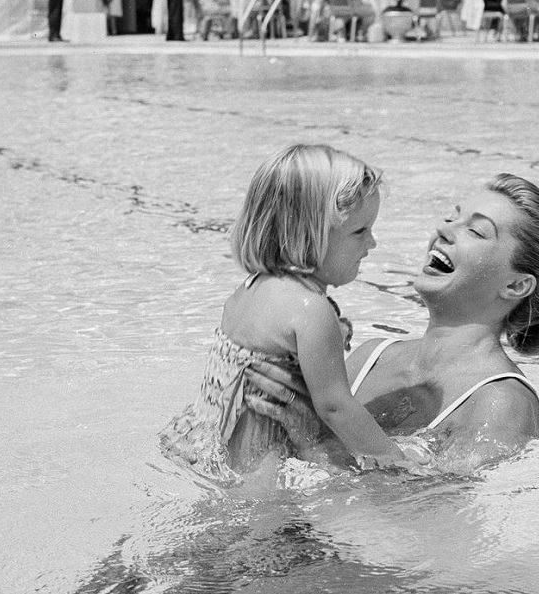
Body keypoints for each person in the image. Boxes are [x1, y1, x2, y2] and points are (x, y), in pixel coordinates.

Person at [246, 173, 539, 475]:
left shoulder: (500, 402)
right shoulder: (371, 357)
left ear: (516, 285)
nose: (444, 230)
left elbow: (432, 514)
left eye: (476, 231)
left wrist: (311, 437)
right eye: (451, 218)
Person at [159, 145, 424, 484]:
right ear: (307, 234)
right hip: (260, 467)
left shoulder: (250, 289)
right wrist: (395, 460)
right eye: (360, 231)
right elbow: (335, 407)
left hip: (206, 444)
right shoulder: (311, 311)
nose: (371, 243)